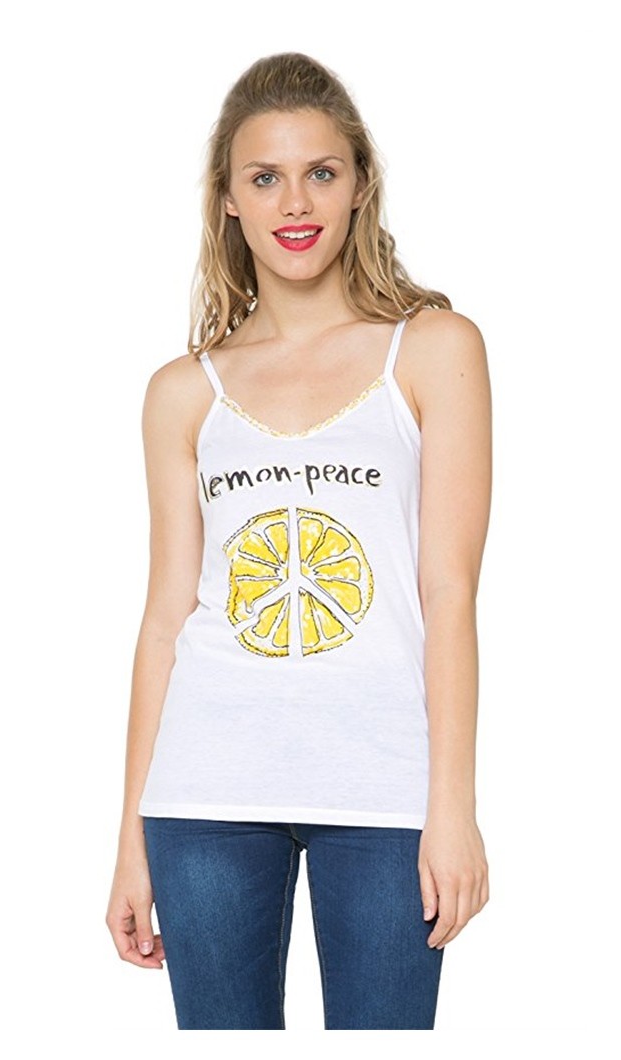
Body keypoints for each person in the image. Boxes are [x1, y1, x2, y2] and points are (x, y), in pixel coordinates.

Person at [105, 51, 492, 1031]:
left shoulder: (433, 350)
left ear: (360, 183)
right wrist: (130, 838)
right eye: (265, 176)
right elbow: (165, 620)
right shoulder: (182, 391)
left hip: (386, 789)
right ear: (228, 200)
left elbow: (449, 591)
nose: (295, 202)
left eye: (321, 171)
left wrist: (453, 804)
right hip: (204, 791)